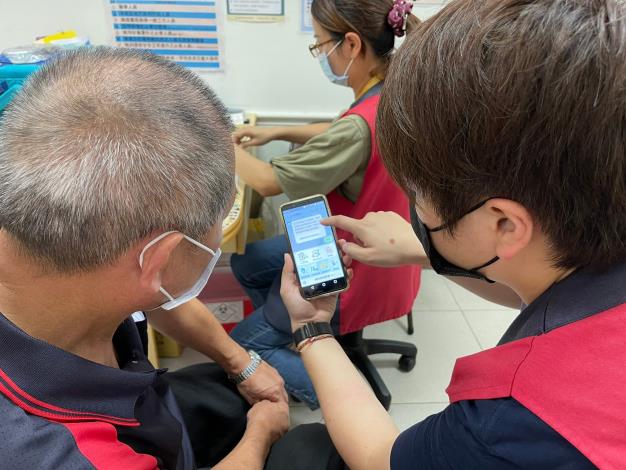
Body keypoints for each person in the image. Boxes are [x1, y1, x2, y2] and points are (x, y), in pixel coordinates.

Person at [278, 0, 626, 468]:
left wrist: (311, 328)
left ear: (505, 226)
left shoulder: (509, 420)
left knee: (301, 449)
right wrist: (427, 253)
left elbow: (381, 458)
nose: (412, 210)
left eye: (418, 194)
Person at [0, 47, 345, 470]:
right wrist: (260, 434)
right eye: (218, 224)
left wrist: (242, 362)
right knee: (312, 448)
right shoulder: (64, 455)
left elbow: (157, 297)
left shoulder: (65, 253)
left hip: (144, 401)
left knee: (226, 396)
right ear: (157, 262)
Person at [230, 0, 421, 410]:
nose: (320, 54)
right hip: (387, 253)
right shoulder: (392, 92)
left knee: (242, 344)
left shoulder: (361, 122)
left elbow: (265, 181)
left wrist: (218, 140)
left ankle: (347, 401)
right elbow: (343, 128)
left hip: (350, 267)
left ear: (351, 44)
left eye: (320, 44)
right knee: (248, 261)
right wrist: (276, 132)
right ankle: (296, 334)